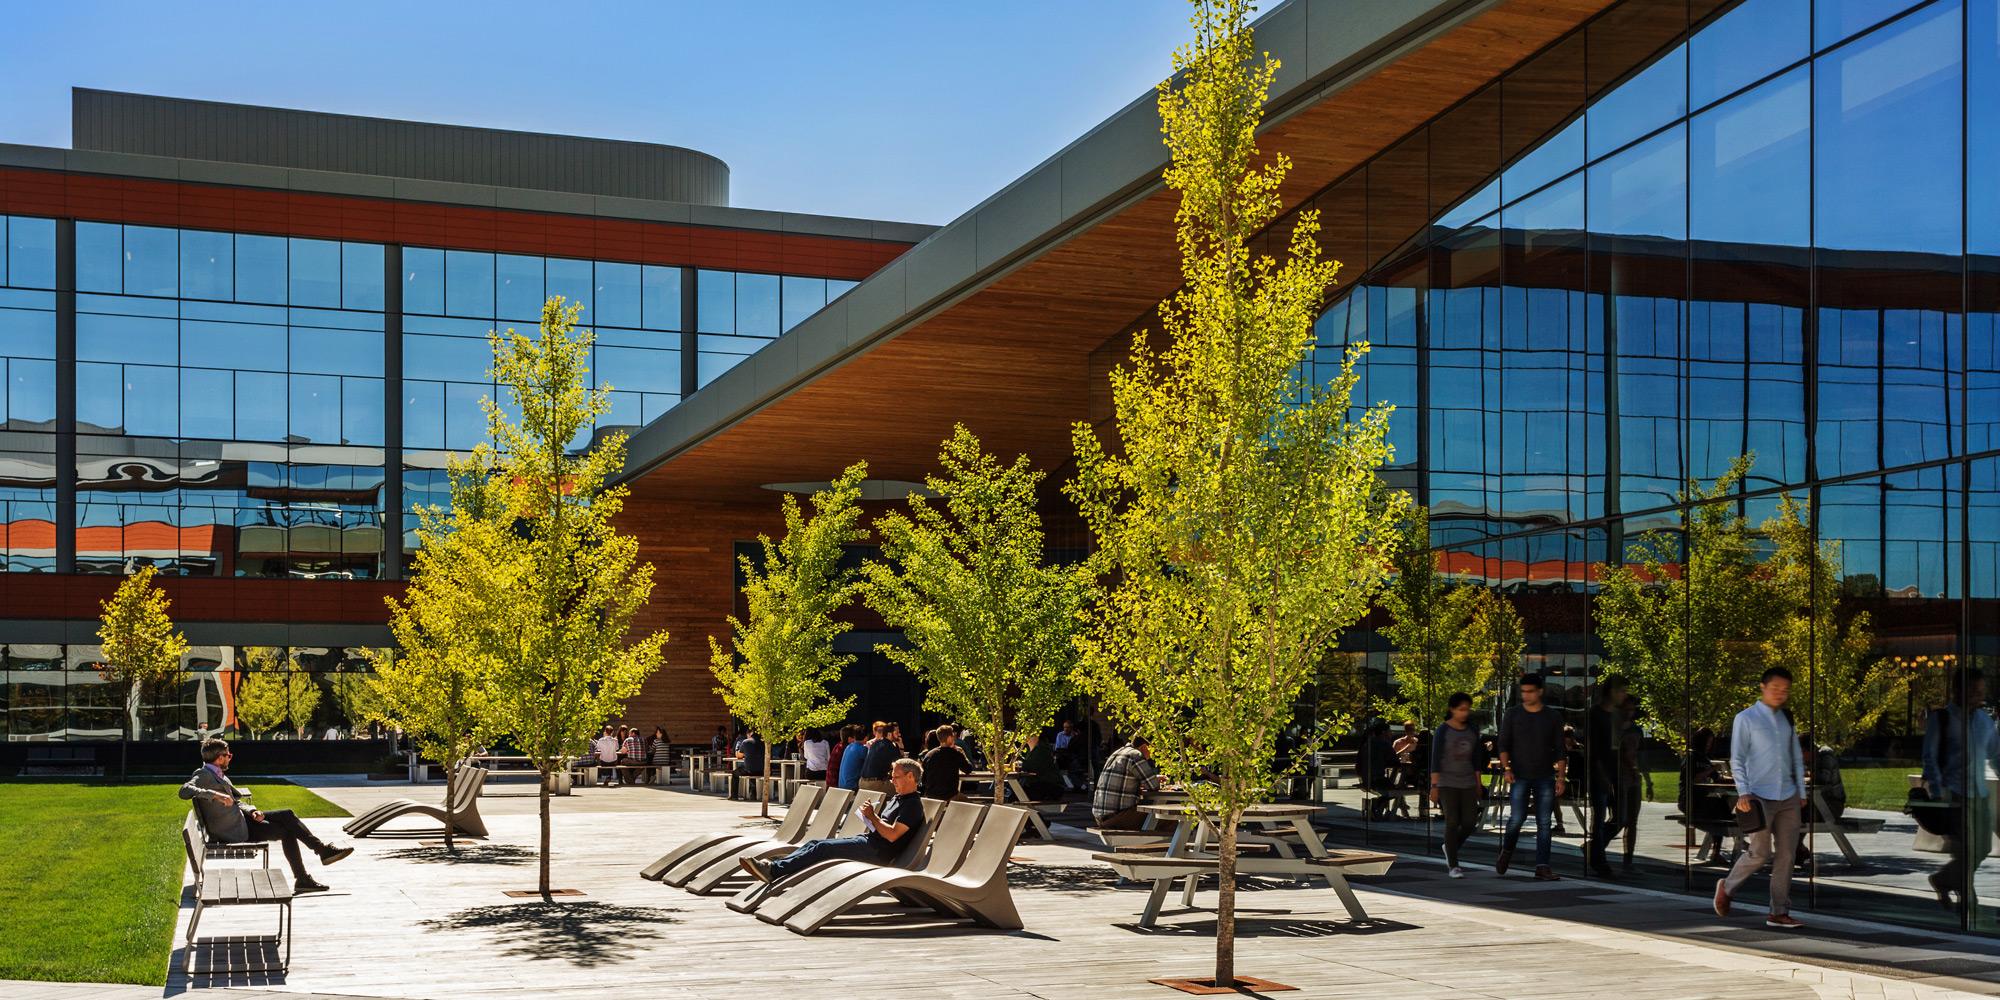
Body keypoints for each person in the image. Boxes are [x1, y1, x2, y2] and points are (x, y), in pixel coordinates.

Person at [180, 738, 352, 894]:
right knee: (287, 831)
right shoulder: (203, 774)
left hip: (242, 821)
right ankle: (311, 867)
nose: (230, 758)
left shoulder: (216, 774)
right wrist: (215, 795)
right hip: (234, 831)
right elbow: (184, 790)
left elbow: (236, 802)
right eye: (228, 755)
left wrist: (252, 811)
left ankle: (319, 856)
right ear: (219, 758)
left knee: (287, 815)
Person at [1714, 667, 1809, 929]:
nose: (1781, 694)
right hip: (1759, 796)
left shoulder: (1786, 719)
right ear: (1763, 687)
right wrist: (1743, 791)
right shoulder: (1746, 718)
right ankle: (1727, 887)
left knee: (1787, 855)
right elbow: (1738, 758)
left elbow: (1795, 758)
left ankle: (1778, 911)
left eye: (1785, 690)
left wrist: (1801, 790)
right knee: (1760, 852)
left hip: (1788, 794)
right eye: (1776, 688)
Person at [743, 757, 928, 883]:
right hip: (870, 842)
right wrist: (869, 818)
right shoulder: (898, 798)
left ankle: (773, 871)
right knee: (815, 843)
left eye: (896, 777)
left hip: (878, 853)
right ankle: (774, 866)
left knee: (823, 849)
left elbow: (893, 835)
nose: (892, 781)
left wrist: (873, 817)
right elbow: (883, 828)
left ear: (911, 777)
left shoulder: (912, 805)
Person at [1922, 668, 1998, 915]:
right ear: (1959, 690)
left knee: (1982, 847)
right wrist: (1937, 790)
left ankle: (1944, 880)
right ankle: (1968, 902)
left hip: (1980, 795)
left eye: (1982, 691)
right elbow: (1929, 758)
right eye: (1975, 691)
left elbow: (1996, 754)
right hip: (1954, 795)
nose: (1980, 696)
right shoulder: (1942, 719)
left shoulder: (1985, 721)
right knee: (1967, 849)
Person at [1496, 673, 1566, 880]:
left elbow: (1561, 749)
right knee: (1517, 818)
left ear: (1540, 692)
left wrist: (1560, 778)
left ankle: (1542, 866)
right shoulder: (1513, 714)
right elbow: (1503, 743)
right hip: (1519, 775)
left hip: (1545, 775)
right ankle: (1507, 851)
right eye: (1523, 691)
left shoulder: (1552, 717)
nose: (1526, 695)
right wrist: (1506, 768)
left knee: (1544, 821)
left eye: (1530, 691)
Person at [1430, 692, 1485, 878]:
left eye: (1467, 709)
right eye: (1461, 709)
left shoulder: (1472, 730)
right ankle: (1453, 865)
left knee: (1469, 822)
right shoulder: (1443, 730)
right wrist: (1434, 786)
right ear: (1452, 709)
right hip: (1447, 782)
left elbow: (1477, 759)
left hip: (1468, 781)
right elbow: (1436, 759)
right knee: (1452, 821)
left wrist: (1478, 783)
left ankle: (1450, 846)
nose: (1464, 713)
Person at [1586, 677, 1630, 877]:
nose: (1624, 695)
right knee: (1600, 817)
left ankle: (1594, 849)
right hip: (1600, 773)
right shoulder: (1595, 714)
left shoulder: (1618, 715)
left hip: (1616, 772)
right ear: (1611, 691)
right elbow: (1594, 749)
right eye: (1621, 691)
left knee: (1620, 817)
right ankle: (1598, 859)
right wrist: (1602, 775)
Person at [1092, 736, 1167, 830]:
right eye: (1153, 750)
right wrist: (1154, 780)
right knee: (1169, 818)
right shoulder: (1136, 755)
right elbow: (1153, 786)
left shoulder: (1118, 752)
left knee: (1156, 817)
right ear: (1145, 747)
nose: (1152, 755)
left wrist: (1152, 779)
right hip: (1117, 816)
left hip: (1101, 816)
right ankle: (1175, 844)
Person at [921, 725, 969, 800]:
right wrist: (961, 752)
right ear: (949, 738)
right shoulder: (956, 754)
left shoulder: (929, 755)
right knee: (969, 804)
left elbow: (923, 780)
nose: (954, 738)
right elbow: (968, 769)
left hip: (931, 796)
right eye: (953, 736)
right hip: (950, 795)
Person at [1019, 729, 1065, 802]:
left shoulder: (1042, 749)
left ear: (1037, 737)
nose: (1026, 739)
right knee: (1017, 792)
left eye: (1029, 736)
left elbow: (1031, 767)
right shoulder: (1031, 750)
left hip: (1050, 787)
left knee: (1018, 794)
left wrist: (1020, 765)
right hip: (1041, 783)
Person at [860, 722, 901, 794]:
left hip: (862, 783)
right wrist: (901, 746)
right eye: (897, 732)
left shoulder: (876, 743)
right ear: (889, 734)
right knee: (903, 787)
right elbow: (900, 766)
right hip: (874, 785)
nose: (899, 734)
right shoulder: (890, 746)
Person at [732, 729, 765, 800]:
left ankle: (734, 796)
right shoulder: (764, 742)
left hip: (749, 770)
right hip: (762, 770)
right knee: (752, 770)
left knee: (735, 773)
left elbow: (739, 756)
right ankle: (752, 795)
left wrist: (738, 750)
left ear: (750, 734)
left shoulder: (746, 742)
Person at [837, 724, 869, 790]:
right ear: (866, 738)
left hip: (841, 785)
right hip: (852, 787)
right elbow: (871, 765)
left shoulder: (849, 747)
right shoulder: (862, 749)